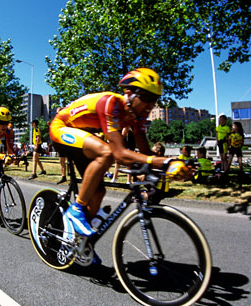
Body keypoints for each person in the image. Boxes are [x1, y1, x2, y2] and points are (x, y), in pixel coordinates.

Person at [49, 68, 190, 240]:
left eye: (154, 100)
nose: (150, 105)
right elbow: (120, 153)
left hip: (82, 136)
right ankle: (76, 210)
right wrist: (165, 163)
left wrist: (164, 173)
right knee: (107, 153)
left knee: (98, 193)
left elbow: (146, 153)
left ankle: (81, 245)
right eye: (146, 98)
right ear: (129, 93)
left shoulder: (137, 117)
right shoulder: (110, 103)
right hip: (61, 128)